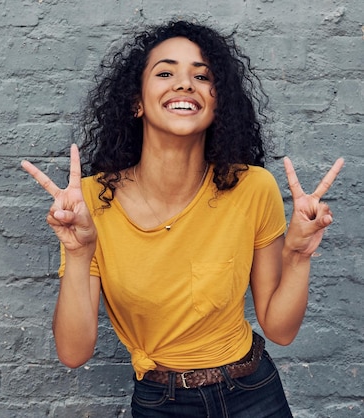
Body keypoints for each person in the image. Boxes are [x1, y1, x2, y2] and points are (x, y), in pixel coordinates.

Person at [21, 20, 344, 417]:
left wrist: (297, 255)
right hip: (161, 403)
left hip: (254, 393)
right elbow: (73, 353)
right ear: (136, 102)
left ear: (217, 101)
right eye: (165, 72)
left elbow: (280, 329)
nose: (185, 83)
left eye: (201, 75)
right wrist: (80, 251)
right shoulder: (91, 201)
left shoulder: (253, 188)